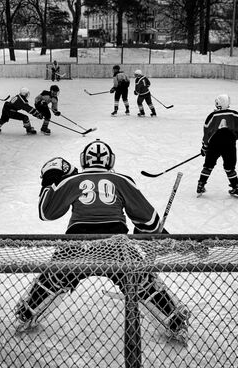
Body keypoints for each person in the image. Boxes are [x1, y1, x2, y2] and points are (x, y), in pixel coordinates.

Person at [15, 140, 190, 340]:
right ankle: (174, 320)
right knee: (140, 281)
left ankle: (26, 314)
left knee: (54, 278)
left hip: (77, 242)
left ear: (83, 160)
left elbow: (46, 213)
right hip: (116, 242)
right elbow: (149, 221)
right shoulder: (122, 180)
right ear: (110, 161)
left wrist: (49, 179)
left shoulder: (72, 181)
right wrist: (149, 231)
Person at [196, 94, 238, 198]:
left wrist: (204, 147)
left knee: (208, 166)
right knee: (230, 167)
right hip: (229, 144)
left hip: (214, 144)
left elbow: (206, 132)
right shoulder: (234, 114)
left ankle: (200, 185)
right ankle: (236, 188)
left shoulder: (212, 116)